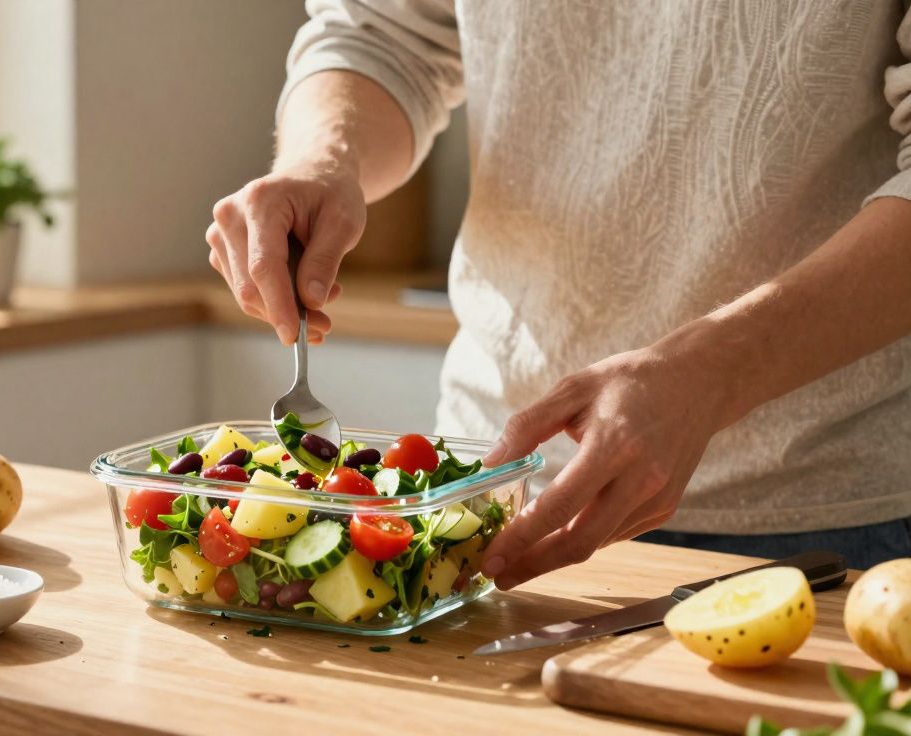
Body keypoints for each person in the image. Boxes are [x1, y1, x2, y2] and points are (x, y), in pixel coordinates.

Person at [205, 1, 911, 586]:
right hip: (492, 495)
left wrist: (718, 370)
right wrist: (324, 159)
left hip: (824, 517)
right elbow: (383, 33)